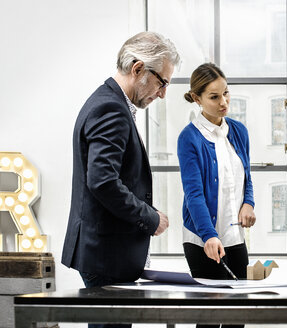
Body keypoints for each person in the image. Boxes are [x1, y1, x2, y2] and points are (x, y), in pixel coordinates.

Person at [61, 32, 180, 327]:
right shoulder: (111, 108)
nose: (163, 93)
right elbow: (102, 181)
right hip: (105, 256)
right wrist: (150, 218)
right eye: (162, 82)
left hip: (103, 253)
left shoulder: (109, 102)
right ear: (138, 69)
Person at [177, 63, 256, 328]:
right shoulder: (189, 138)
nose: (224, 102)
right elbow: (194, 193)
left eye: (226, 93)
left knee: (238, 317)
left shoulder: (239, 131)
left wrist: (249, 202)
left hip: (234, 237)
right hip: (201, 240)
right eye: (214, 97)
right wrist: (209, 234)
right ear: (197, 99)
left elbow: (246, 175)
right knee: (209, 317)